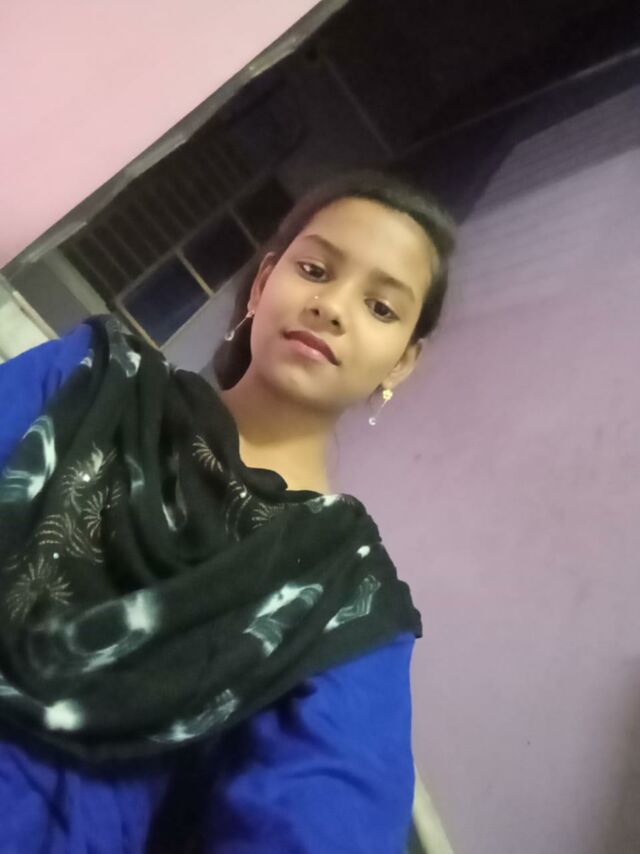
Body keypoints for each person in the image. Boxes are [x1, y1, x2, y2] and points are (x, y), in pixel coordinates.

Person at [0, 170, 455, 853]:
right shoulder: (92, 379)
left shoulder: (343, 595)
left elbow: (322, 816)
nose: (332, 307)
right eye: (314, 270)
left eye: (380, 308)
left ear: (402, 362)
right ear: (264, 282)